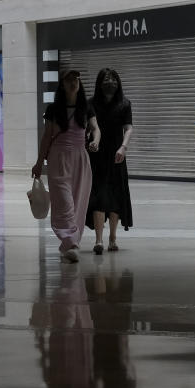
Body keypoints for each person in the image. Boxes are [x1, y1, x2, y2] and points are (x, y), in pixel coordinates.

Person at [32, 69, 100, 263]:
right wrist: (38, 163)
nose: (74, 82)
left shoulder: (86, 108)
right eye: (69, 79)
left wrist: (96, 141)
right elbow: (46, 137)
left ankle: (70, 243)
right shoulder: (53, 109)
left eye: (76, 79)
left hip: (81, 158)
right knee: (64, 202)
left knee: (78, 201)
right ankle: (71, 243)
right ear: (62, 85)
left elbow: (96, 129)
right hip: (58, 158)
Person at [87, 68, 134, 255]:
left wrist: (123, 147)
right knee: (98, 195)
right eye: (107, 79)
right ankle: (98, 240)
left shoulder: (124, 104)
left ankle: (112, 238)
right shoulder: (91, 104)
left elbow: (129, 128)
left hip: (117, 155)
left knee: (115, 196)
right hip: (96, 155)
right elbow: (86, 126)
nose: (111, 82)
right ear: (99, 83)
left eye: (114, 79)